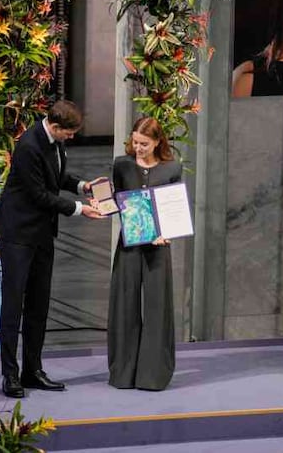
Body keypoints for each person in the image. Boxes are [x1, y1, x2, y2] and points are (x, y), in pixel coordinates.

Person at [0, 100, 102, 398]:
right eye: (70, 132)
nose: (72, 137)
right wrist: (80, 209)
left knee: (39, 304)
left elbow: (57, 176)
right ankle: (10, 375)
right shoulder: (28, 146)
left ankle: (32, 370)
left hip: (41, 233)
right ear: (55, 126)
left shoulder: (54, 142)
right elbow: (39, 194)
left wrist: (83, 187)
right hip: (17, 233)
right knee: (13, 305)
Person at [105, 117, 182, 390]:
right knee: (124, 304)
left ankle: (153, 375)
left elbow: (174, 205)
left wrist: (168, 230)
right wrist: (103, 204)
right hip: (130, 243)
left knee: (156, 306)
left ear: (158, 142)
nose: (137, 147)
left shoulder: (172, 167)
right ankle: (123, 372)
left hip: (158, 247)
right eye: (135, 142)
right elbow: (116, 199)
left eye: (144, 144)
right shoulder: (122, 165)